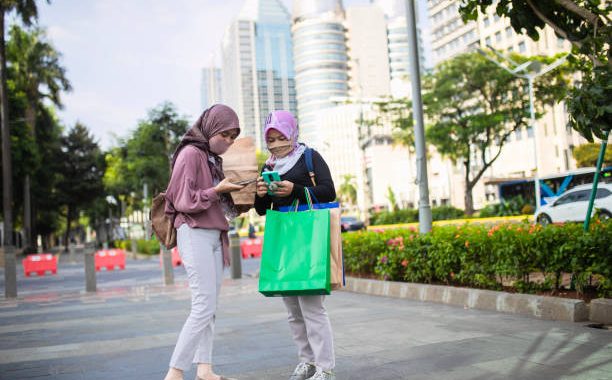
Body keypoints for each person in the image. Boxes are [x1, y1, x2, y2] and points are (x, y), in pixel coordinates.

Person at [254, 111, 337, 380]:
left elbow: (328, 191)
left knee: (312, 308)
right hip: (284, 241)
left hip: (309, 236)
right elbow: (262, 211)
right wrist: (261, 195)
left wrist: (295, 190)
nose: (277, 144)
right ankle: (307, 362)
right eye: (272, 139)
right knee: (292, 310)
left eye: (282, 137)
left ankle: (325, 368)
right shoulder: (268, 168)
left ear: (293, 133)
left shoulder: (310, 157)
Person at [163, 104, 244, 380]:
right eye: (225, 134)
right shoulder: (190, 154)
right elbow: (183, 200)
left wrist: (243, 192)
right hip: (194, 230)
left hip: (214, 234)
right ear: (210, 129)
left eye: (234, 136)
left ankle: (205, 369)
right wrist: (216, 189)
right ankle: (174, 373)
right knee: (203, 304)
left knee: (210, 305)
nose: (229, 142)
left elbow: (223, 205)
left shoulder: (212, 159)